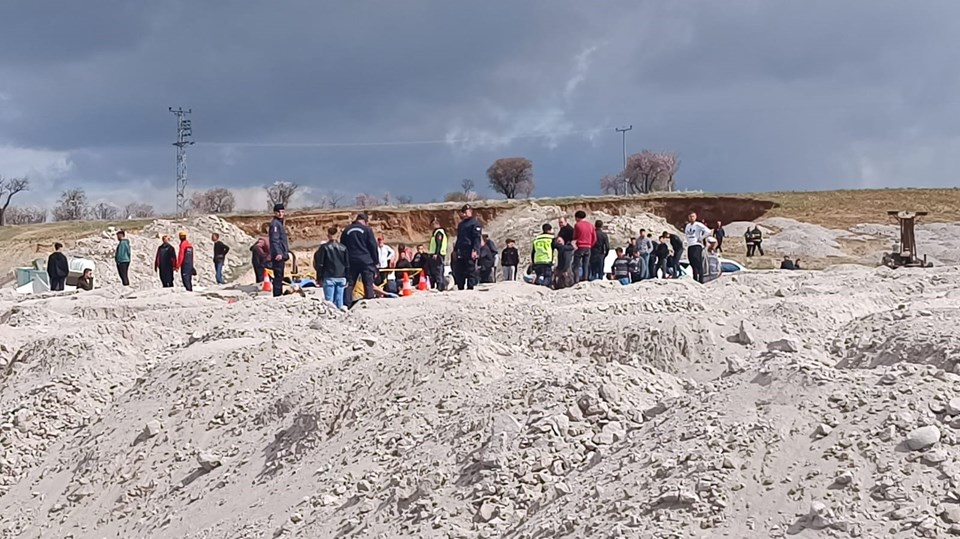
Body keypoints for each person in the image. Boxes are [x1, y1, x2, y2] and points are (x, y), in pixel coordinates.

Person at [341, 212, 380, 307]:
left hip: (351, 261)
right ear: (365, 221)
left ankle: (347, 304)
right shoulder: (367, 230)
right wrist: (376, 261)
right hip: (365, 260)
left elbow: (342, 246)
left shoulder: (346, 230)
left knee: (350, 283)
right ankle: (369, 303)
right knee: (368, 283)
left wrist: (344, 261)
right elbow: (372, 246)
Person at [314, 226, 349, 309]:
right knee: (339, 300)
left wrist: (319, 277)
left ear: (328, 235)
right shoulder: (343, 248)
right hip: (341, 276)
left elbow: (320, 264)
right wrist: (347, 277)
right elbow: (347, 264)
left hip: (329, 276)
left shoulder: (324, 247)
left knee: (329, 301)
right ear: (337, 235)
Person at [452, 204, 482, 290]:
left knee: (470, 270)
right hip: (461, 250)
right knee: (459, 270)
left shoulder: (475, 223)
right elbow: (459, 238)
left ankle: (470, 287)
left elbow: (477, 238)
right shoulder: (461, 225)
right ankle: (460, 287)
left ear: (470, 212)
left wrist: (475, 250)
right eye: (463, 213)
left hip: (470, 250)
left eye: (466, 212)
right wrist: (455, 250)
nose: (464, 214)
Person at [268, 204, 289, 297]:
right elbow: (274, 240)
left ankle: (278, 293)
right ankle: (277, 295)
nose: (281, 214)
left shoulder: (280, 223)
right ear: (275, 212)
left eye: (282, 212)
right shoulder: (275, 224)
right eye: (278, 212)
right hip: (278, 255)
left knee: (280, 275)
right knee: (278, 275)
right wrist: (279, 253)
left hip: (281, 253)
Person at [684, 212, 711, 283]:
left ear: (695, 217)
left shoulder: (698, 224)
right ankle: (695, 279)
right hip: (690, 245)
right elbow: (686, 234)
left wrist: (701, 238)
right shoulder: (687, 226)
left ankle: (701, 280)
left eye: (693, 216)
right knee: (692, 263)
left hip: (696, 245)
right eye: (690, 216)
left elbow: (708, 231)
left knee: (698, 263)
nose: (691, 218)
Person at [571, 210, 596, 282]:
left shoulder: (577, 225)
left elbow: (575, 236)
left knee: (576, 265)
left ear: (577, 218)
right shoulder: (590, 225)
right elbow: (594, 237)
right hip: (588, 247)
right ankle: (585, 279)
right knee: (586, 265)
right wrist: (590, 245)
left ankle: (576, 280)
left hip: (580, 246)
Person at [427, 218, 448, 291]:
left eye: (432, 225)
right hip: (435, 254)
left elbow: (439, 244)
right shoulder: (436, 233)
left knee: (438, 270)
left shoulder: (439, 233)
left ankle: (440, 286)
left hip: (438, 255)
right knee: (434, 271)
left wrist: (436, 253)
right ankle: (437, 285)